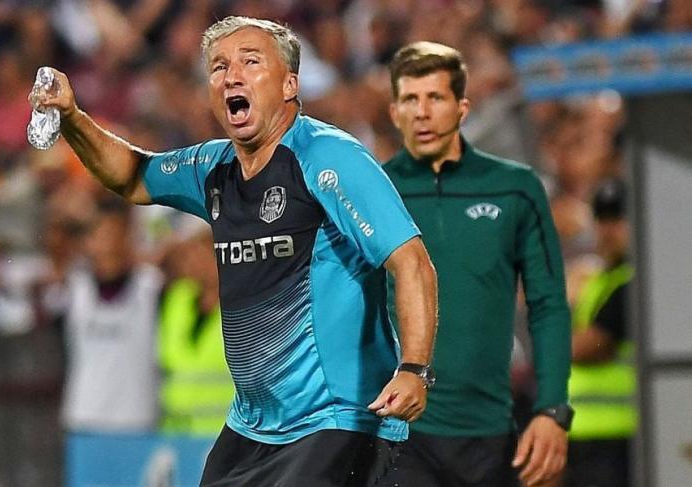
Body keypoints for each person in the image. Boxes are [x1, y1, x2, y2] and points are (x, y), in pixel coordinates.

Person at [32, 16, 438, 487]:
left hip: (338, 419)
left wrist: (414, 369)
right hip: (252, 427)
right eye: (219, 66)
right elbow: (133, 176)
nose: (232, 76)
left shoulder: (329, 158)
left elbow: (412, 263)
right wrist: (73, 117)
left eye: (250, 62)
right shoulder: (214, 167)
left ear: (289, 84)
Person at [382, 42, 572, 487]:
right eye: (410, 99)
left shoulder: (515, 188)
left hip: (489, 433)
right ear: (394, 112)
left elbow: (547, 304)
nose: (422, 113)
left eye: (435, 98)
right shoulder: (374, 191)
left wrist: (552, 409)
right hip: (397, 433)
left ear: (462, 108)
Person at [60, 196, 163, 433]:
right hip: (85, 416)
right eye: (103, 236)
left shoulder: (151, 286)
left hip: (137, 419)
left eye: (118, 235)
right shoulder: (74, 287)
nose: (111, 245)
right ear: (88, 242)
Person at [566, 177, 635, 487]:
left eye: (617, 219)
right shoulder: (600, 280)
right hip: (585, 433)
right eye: (602, 219)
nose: (608, 230)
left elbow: (589, 346)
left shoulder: (631, 283)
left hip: (617, 433)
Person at [157, 230, 234, 436]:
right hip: (175, 428)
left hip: (221, 430)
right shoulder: (177, 298)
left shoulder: (242, 307)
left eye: (201, 255)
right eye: (189, 256)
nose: (193, 263)